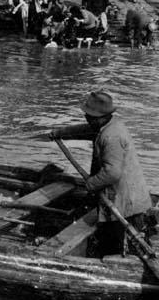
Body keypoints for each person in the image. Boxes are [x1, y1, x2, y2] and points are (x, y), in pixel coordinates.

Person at [51, 90, 151, 257]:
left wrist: (90, 183)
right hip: (121, 196)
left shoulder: (111, 136)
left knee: (118, 247)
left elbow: (112, 173)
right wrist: (60, 133)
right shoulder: (107, 125)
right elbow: (84, 131)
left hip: (125, 203)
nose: (86, 118)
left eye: (88, 115)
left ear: (99, 117)